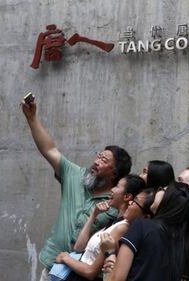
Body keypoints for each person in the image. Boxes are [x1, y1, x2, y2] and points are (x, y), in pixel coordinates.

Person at [21, 96, 132, 280]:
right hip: (52, 267)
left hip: (80, 274)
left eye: (104, 161)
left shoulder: (117, 202)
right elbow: (50, 150)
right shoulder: (76, 175)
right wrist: (32, 118)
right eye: (98, 156)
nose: (96, 162)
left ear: (114, 173)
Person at [54, 176, 154, 281]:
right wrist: (93, 215)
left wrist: (66, 258)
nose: (112, 189)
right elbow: (79, 248)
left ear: (127, 197)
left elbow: (91, 272)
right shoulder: (113, 221)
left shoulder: (122, 228)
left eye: (117, 186)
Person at [104, 181, 189, 281]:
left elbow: (116, 279)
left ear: (168, 199)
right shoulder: (182, 242)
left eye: (162, 190)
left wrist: (109, 253)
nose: (158, 191)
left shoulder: (142, 226)